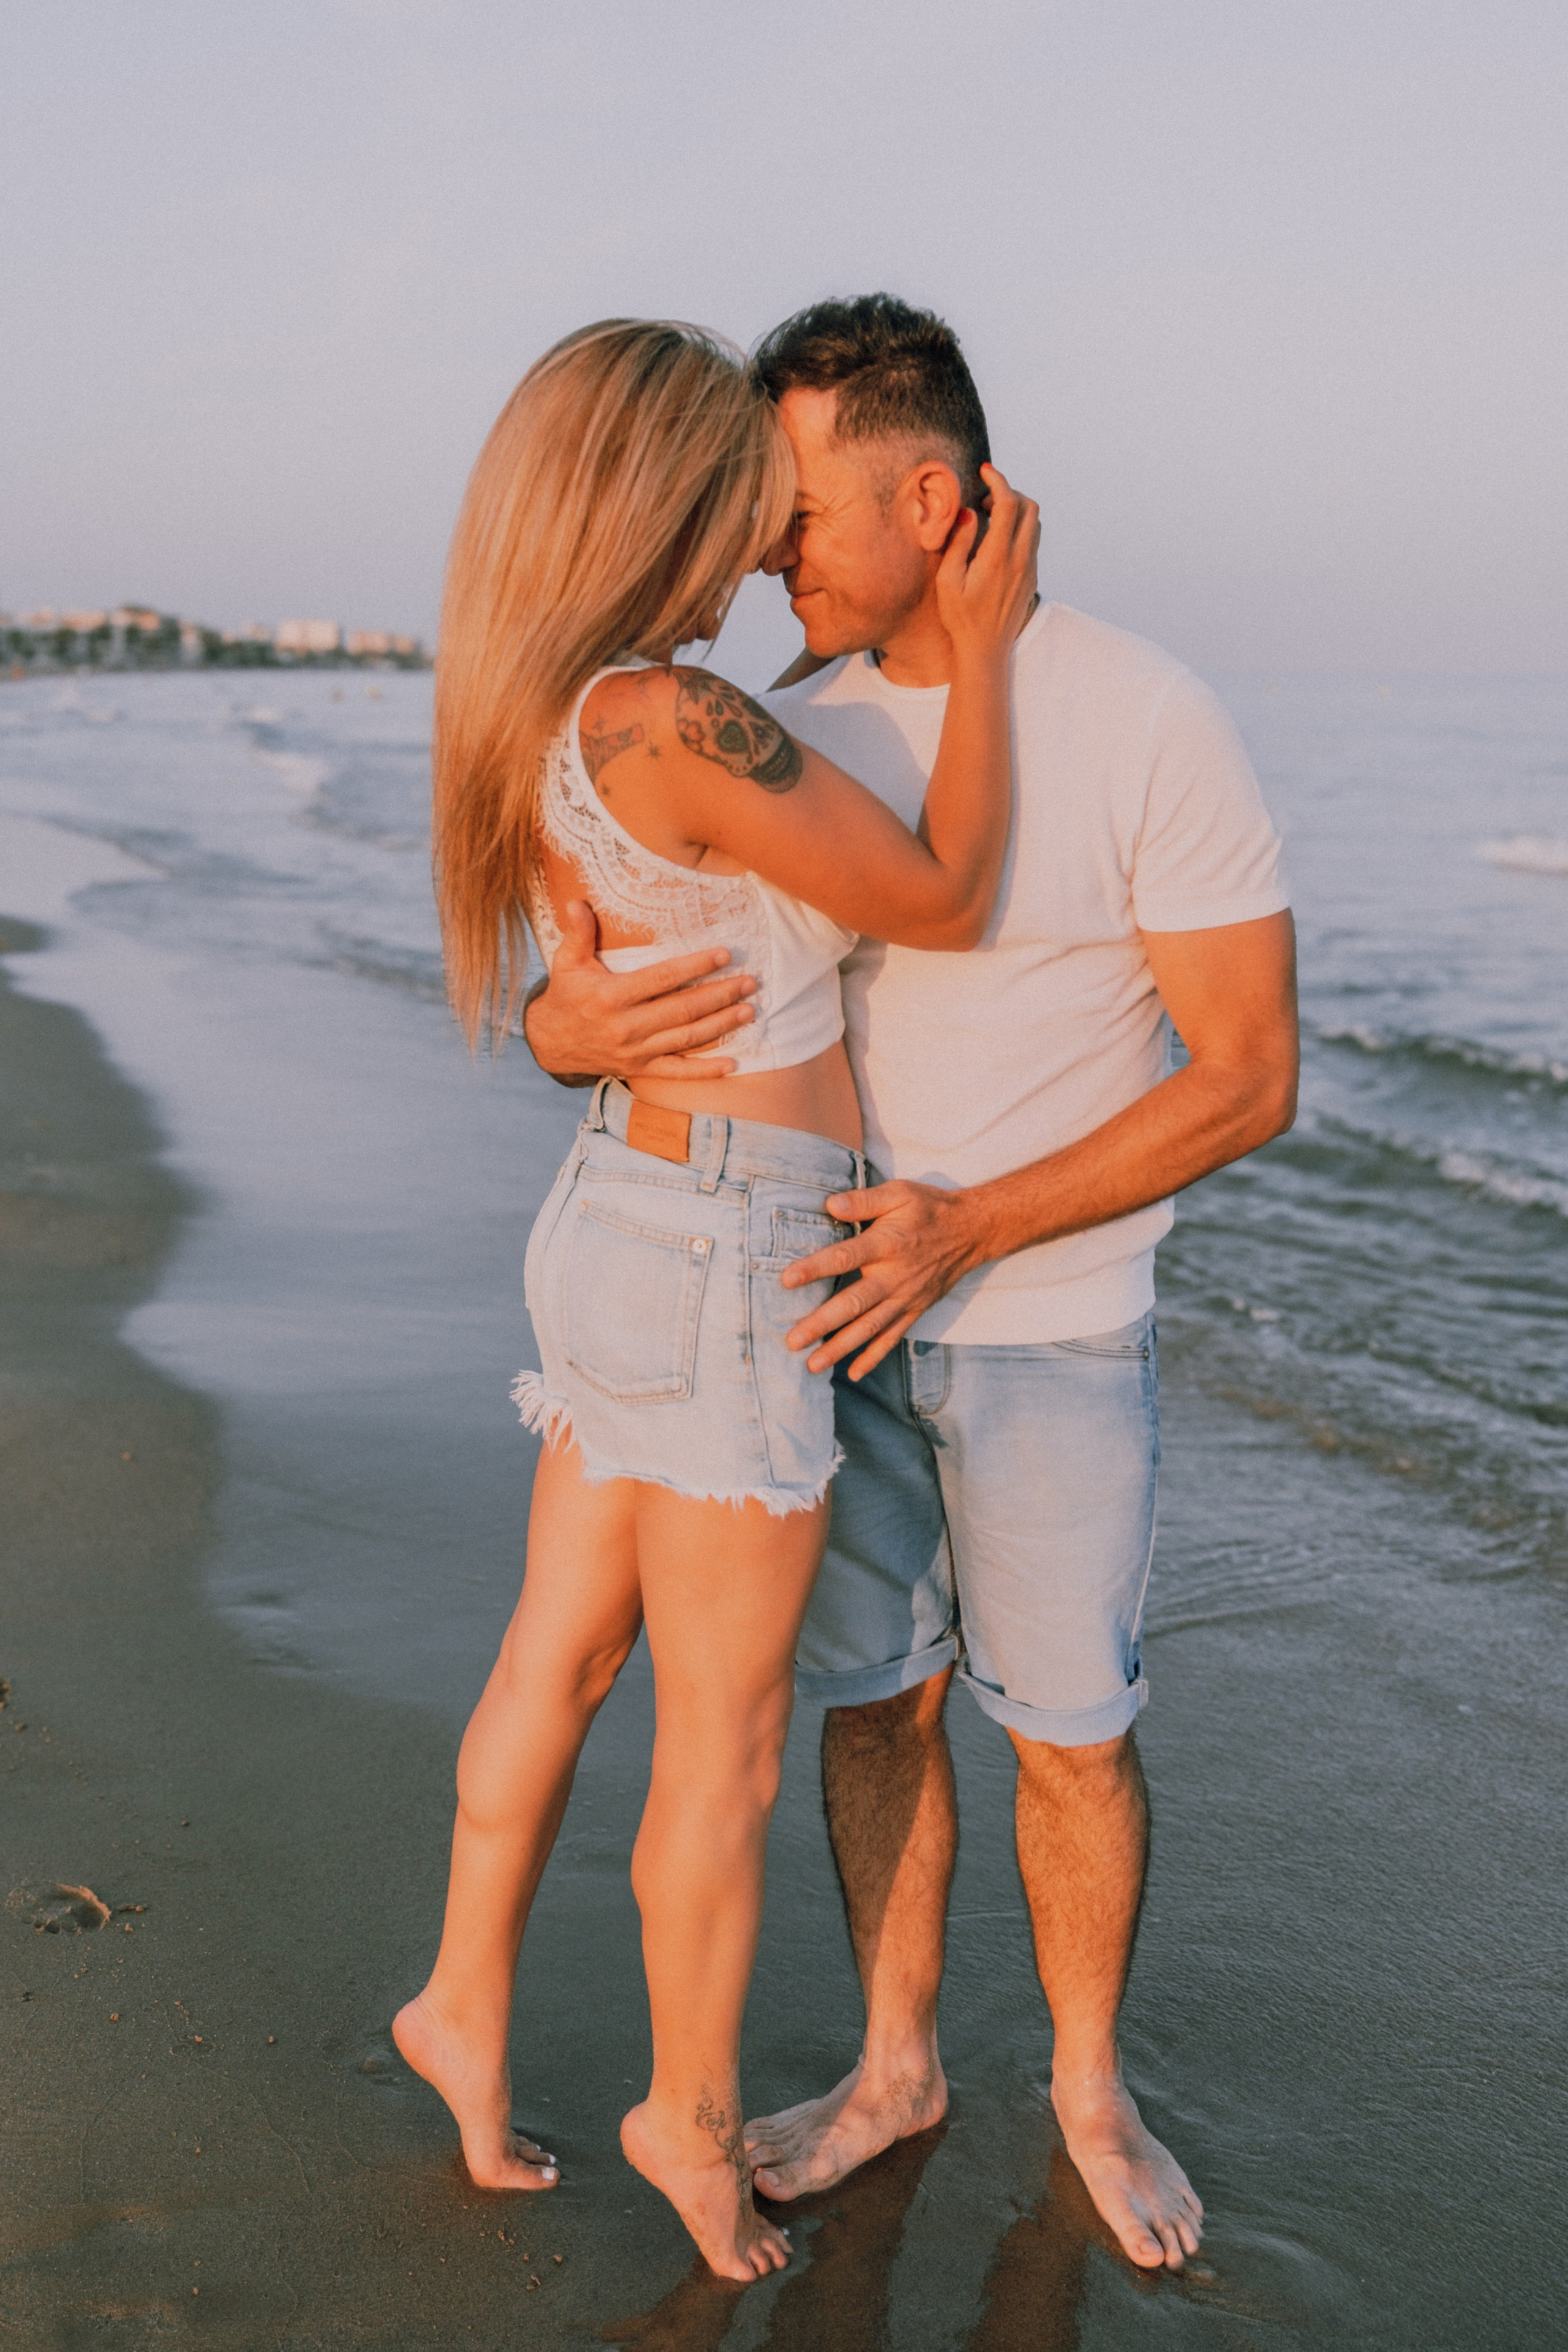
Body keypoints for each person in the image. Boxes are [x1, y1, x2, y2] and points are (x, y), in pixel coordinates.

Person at [522, 295, 1300, 2274]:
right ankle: (893, 2069)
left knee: (1068, 1735)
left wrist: (973, 1222)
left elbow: (1250, 1076)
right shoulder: (806, 715)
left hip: (1047, 1336)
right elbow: (641, 971)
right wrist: (558, 1021)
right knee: (876, 1709)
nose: (767, 552)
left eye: (796, 512)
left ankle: (1093, 2093)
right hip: (815, 1332)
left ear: (936, 497)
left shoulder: (1149, 714)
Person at [393, 317, 1039, 2284]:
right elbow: (939, 891)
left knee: (555, 1662)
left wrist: (576, 1035)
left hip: (614, 1218)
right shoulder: (676, 716)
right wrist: (989, 661)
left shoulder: (543, 710)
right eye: (745, 485)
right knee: (725, 1743)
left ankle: (461, 2005)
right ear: (666, 489)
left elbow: (604, 985)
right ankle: (684, 2112)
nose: (775, 521)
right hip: (731, 1248)